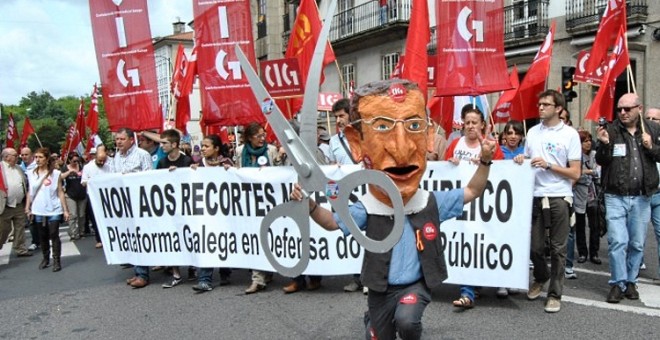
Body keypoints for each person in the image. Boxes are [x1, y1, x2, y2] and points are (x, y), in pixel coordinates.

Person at [291, 79, 495, 339]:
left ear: (428, 136)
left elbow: (473, 191)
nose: (401, 150)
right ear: (358, 143)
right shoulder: (368, 207)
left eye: (414, 126)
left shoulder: (429, 201)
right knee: (378, 336)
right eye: (383, 127)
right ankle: (373, 322)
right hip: (380, 288)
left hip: (414, 286)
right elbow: (332, 222)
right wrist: (308, 204)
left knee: (407, 322)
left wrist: (486, 160)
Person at [513, 89, 581, 313]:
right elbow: (527, 162)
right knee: (534, 247)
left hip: (559, 196)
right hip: (535, 195)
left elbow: (575, 173)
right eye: (539, 104)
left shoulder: (570, 135)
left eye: (546, 104)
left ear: (559, 109)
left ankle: (555, 294)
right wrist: (522, 159)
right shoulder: (532, 132)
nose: (540, 107)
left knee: (558, 248)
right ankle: (540, 277)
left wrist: (549, 165)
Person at [596, 93, 660, 303]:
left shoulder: (652, 129)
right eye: (620, 109)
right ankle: (617, 282)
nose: (622, 113)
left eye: (627, 109)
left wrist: (651, 147)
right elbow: (602, 161)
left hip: (642, 197)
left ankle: (631, 281)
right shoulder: (612, 130)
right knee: (617, 241)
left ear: (639, 109)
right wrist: (604, 144)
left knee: (637, 244)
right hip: (615, 195)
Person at [443, 107, 504, 306]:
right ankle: (467, 292)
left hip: (484, 204)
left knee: (480, 244)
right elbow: (444, 172)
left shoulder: (491, 145)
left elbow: (504, 172)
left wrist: (487, 162)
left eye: (474, 122)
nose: (470, 126)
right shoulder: (454, 144)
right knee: (463, 243)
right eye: (467, 122)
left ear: (483, 125)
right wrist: (450, 163)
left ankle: (485, 282)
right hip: (461, 202)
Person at [236, 122, 282, 294]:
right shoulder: (240, 151)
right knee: (255, 236)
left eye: (264, 135)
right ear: (249, 137)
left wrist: (278, 160)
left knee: (268, 236)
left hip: (269, 200)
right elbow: (237, 172)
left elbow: (279, 172)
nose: (263, 139)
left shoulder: (271, 150)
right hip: (249, 201)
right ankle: (258, 278)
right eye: (258, 136)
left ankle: (267, 271)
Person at [189, 134, 234, 293]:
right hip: (204, 213)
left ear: (216, 148)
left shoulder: (227, 163)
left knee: (223, 241)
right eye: (202, 146)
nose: (203, 149)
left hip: (224, 212)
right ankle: (204, 279)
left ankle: (225, 271)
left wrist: (232, 172)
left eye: (206, 146)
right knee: (206, 241)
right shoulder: (197, 165)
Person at [111, 127, 153, 288]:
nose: (118, 142)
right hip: (124, 204)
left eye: (121, 139)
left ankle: (143, 274)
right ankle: (137, 272)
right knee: (131, 238)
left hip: (139, 204)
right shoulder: (117, 157)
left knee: (140, 238)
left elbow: (149, 178)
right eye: (117, 139)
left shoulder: (142, 155)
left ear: (131, 140)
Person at [155, 129, 195, 290]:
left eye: (164, 143)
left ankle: (193, 266)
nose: (162, 146)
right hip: (169, 208)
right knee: (172, 238)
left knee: (189, 236)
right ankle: (176, 273)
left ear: (174, 144)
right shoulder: (162, 163)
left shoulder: (186, 160)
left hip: (186, 207)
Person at [25, 148, 70, 272]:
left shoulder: (55, 173)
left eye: (40, 157)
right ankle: (46, 258)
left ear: (46, 159)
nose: (38, 160)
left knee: (53, 234)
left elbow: (60, 192)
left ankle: (56, 260)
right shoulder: (31, 173)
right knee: (43, 235)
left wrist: (65, 210)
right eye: (36, 157)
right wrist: (27, 208)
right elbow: (30, 192)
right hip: (38, 209)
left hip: (54, 208)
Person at [572, 130, 601, 266]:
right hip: (579, 194)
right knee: (580, 225)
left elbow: (598, 172)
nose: (588, 143)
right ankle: (582, 252)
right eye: (585, 141)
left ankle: (594, 253)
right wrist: (587, 173)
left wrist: (584, 173)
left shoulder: (595, 155)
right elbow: (574, 174)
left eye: (589, 140)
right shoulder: (576, 157)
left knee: (595, 225)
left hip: (593, 194)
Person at [0, 148, 33, 257]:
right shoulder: (1, 168)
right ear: (6, 157)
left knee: (20, 227)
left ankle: (20, 249)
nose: (17, 157)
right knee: (3, 230)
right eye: (14, 155)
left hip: (19, 204)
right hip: (4, 205)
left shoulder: (18, 168)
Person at [81, 145, 112, 249]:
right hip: (93, 197)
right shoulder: (87, 167)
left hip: (107, 196)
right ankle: (99, 239)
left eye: (104, 160)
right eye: (99, 161)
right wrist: (92, 181)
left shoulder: (109, 166)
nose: (102, 163)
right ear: (95, 157)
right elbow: (83, 182)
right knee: (95, 218)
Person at [646, 107, 660, 279]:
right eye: (647, 117)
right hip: (641, 195)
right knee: (635, 237)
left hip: (659, 194)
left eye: (654, 118)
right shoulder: (637, 137)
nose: (650, 121)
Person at [61, 152, 87, 241]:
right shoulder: (65, 168)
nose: (75, 162)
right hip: (70, 194)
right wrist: (69, 172)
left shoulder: (82, 167)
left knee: (81, 215)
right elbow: (61, 177)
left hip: (82, 193)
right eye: (73, 161)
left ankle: (81, 232)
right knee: (73, 214)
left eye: (77, 160)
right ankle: (73, 233)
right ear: (69, 160)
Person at [19, 147, 39, 251]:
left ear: (31, 156)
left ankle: (45, 238)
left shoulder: (37, 166)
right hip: (25, 198)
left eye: (26, 154)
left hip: (37, 197)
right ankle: (35, 241)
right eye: (22, 155)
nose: (24, 157)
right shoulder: (19, 168)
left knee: (41, 220)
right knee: (31, 220)